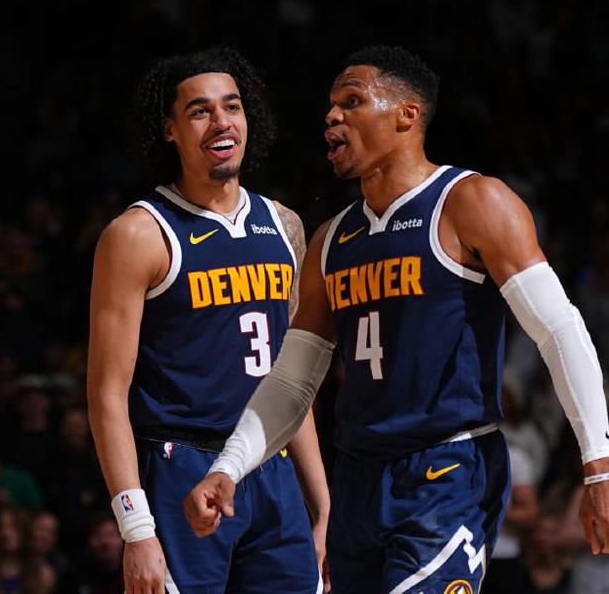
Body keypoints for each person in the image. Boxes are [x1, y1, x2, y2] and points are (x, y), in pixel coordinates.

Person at [185, 45, 609, 593]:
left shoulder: (471, 201)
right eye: (331, 104)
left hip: (446, 470)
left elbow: (559, 330)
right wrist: (228, 467)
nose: (332, 116)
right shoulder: (331, 240)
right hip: (358, 481)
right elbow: (291, 383)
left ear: (407, 114)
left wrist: (598, 463)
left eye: (352, 101)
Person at [87, 46, 329, 594]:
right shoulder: (138, 234)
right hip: (181, 468)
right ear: (169, 129)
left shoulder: (284, 225)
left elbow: (293, 383)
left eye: (232, 106)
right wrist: (136, 529)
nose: (221, 121)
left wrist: (322, 506)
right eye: (200, 111)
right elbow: (106, 393)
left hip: (272, 469)